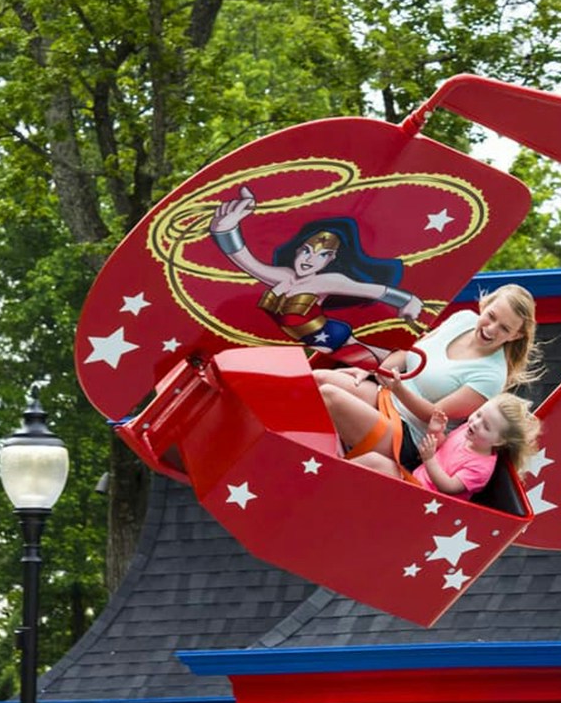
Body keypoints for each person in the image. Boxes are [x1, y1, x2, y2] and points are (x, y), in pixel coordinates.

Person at [317, 283, 541, 468]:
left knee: (329, 396)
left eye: (504, 328)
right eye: (491, 316)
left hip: (410, 436)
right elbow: (410, 350)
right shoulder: (463, 319)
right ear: (485, 305)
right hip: (387, 397)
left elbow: (435, 415)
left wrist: (399, 389)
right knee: (317, 379)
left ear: (515, 335)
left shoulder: (492, 375)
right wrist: (372, 370)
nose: (491, 329)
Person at [209, 186, 424, 369]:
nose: (310, 259)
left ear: (330, 260)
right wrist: (226, 231)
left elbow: (373, 290)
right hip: (308, 349)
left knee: (394, 369)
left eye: (322, 255)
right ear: (297, 250)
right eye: (306, 251)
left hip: (334, 340)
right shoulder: (283, 276)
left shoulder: (326, 281)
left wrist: (408, 301)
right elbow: (247, 262)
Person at [350, 394, 542, 499]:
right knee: (373, 461)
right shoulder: (468, 431)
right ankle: (336, 473)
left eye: (486, 426)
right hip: (414, 479)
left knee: (376, 463)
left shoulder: (481, 467)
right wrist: (435, 431)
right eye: (479, 415)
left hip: (424, 498)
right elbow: (443, 447)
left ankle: (332, 476)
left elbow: (449, 487)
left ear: (498, 441)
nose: (475, 423)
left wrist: (429, 460)